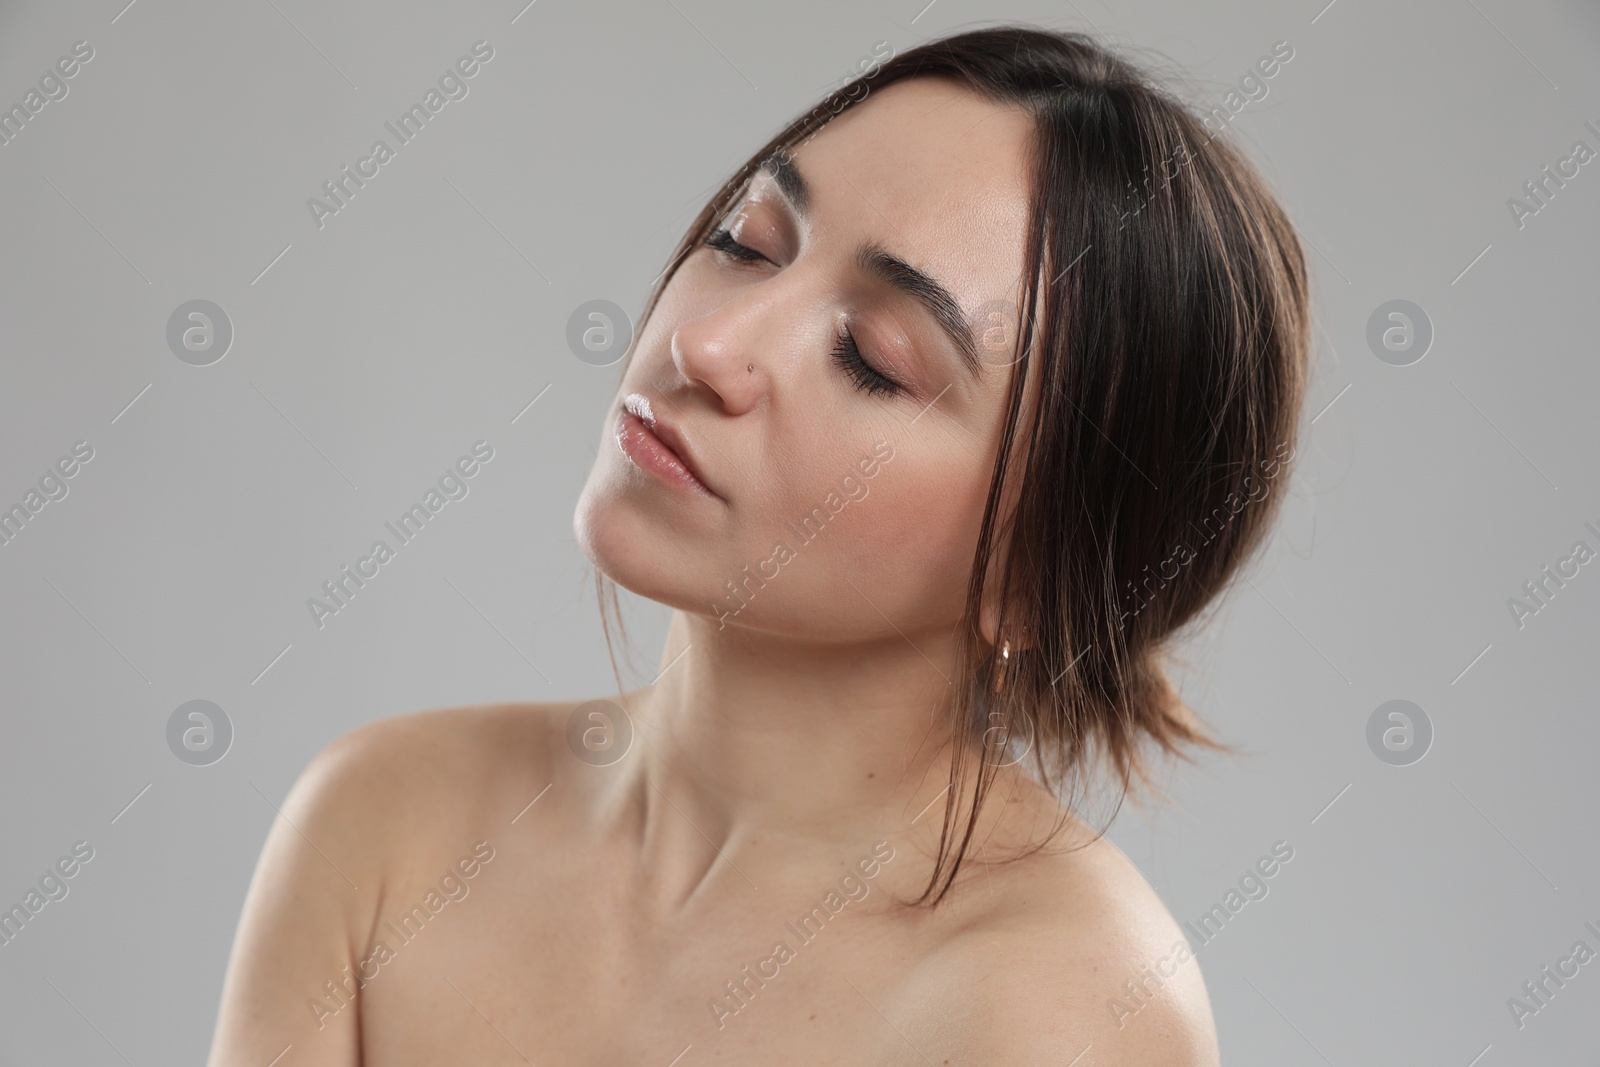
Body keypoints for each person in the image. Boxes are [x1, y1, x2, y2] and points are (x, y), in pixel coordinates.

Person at [208, 24, 1307, 1065]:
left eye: (872, 358)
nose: (705, 341)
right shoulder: (382, 825)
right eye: (746, 241)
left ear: (1041, 577)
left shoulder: (1056, 1010)